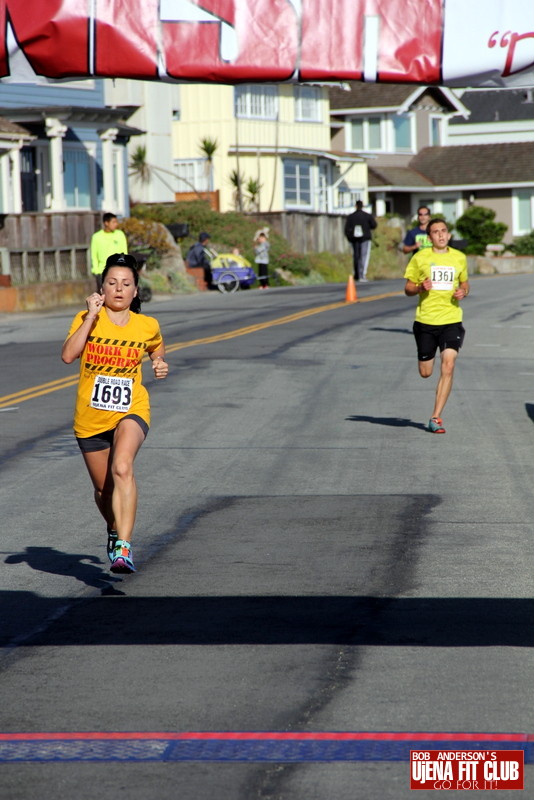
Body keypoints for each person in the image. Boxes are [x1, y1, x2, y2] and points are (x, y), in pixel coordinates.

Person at [61, 253, 169, 573]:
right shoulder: (86, 318)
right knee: (104, 491)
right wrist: (91, 318)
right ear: (101, 288)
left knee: (122, 468)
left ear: (136, 291)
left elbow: (157, 349)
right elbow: (68, 356)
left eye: (126, 284)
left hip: (131, 408)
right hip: (91, 417)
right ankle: (113, 528)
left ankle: (124, 547)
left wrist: (159, 363)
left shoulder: (147, 325)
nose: (119, 289)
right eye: (112, 283)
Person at [404, 218, 469, 434]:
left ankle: (435, 417)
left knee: (449, 364)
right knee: (425, 372)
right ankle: (424, 360)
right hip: (425, 322)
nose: (440, 235)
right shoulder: (420, 257)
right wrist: (420, 287)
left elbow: (465, 282)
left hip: (451, 319)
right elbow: (408, 288)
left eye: (443, 231)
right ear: (429, 237)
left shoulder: (459, 258)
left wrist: (464, 291)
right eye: (435, 232)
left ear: (448, 234)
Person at [90, 213, 129, 290]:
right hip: (102, 271)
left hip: (118, 271)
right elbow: (94, 255)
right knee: (104, 296)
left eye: (116, 222)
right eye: (114, 222)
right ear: (106, 223)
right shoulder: (97, 237)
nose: (116, 224)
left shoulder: (120, 235)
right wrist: (96, 270)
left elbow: (124, 253)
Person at [344, 200, 377, 282]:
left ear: (356, 206)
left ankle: (357, 274)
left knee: (356, 256)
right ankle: (362, 275)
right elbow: (374, 225)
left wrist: (350, 238)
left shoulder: (351, 217)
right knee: (364, 256)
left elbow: (346, 229)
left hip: (354, 239)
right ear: (362, 206)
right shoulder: (367, 216)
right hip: (365, 239)